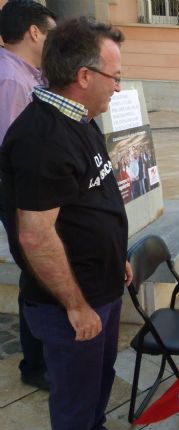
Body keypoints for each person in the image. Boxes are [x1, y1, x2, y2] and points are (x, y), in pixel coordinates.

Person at [0, 17, 139, 430]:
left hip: (98, 285)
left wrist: (114, 254)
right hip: (69, 300)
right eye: (114, 77)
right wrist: (76, 306)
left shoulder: (77, 119)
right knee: (75, 390)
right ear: (84, 77)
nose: (118, 87)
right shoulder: (42, 137)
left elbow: (91, 200)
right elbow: (35, 236)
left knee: (98, 378)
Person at [0, 0, 57, 391]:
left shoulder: (28, 75)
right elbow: (14, 150)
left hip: (30, 193)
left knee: (37, 275)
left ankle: (40, 357)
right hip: (22, 197)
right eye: (50, 33)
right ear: (34, 32)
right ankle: (36, 365)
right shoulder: (11, 79)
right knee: (37, 275)